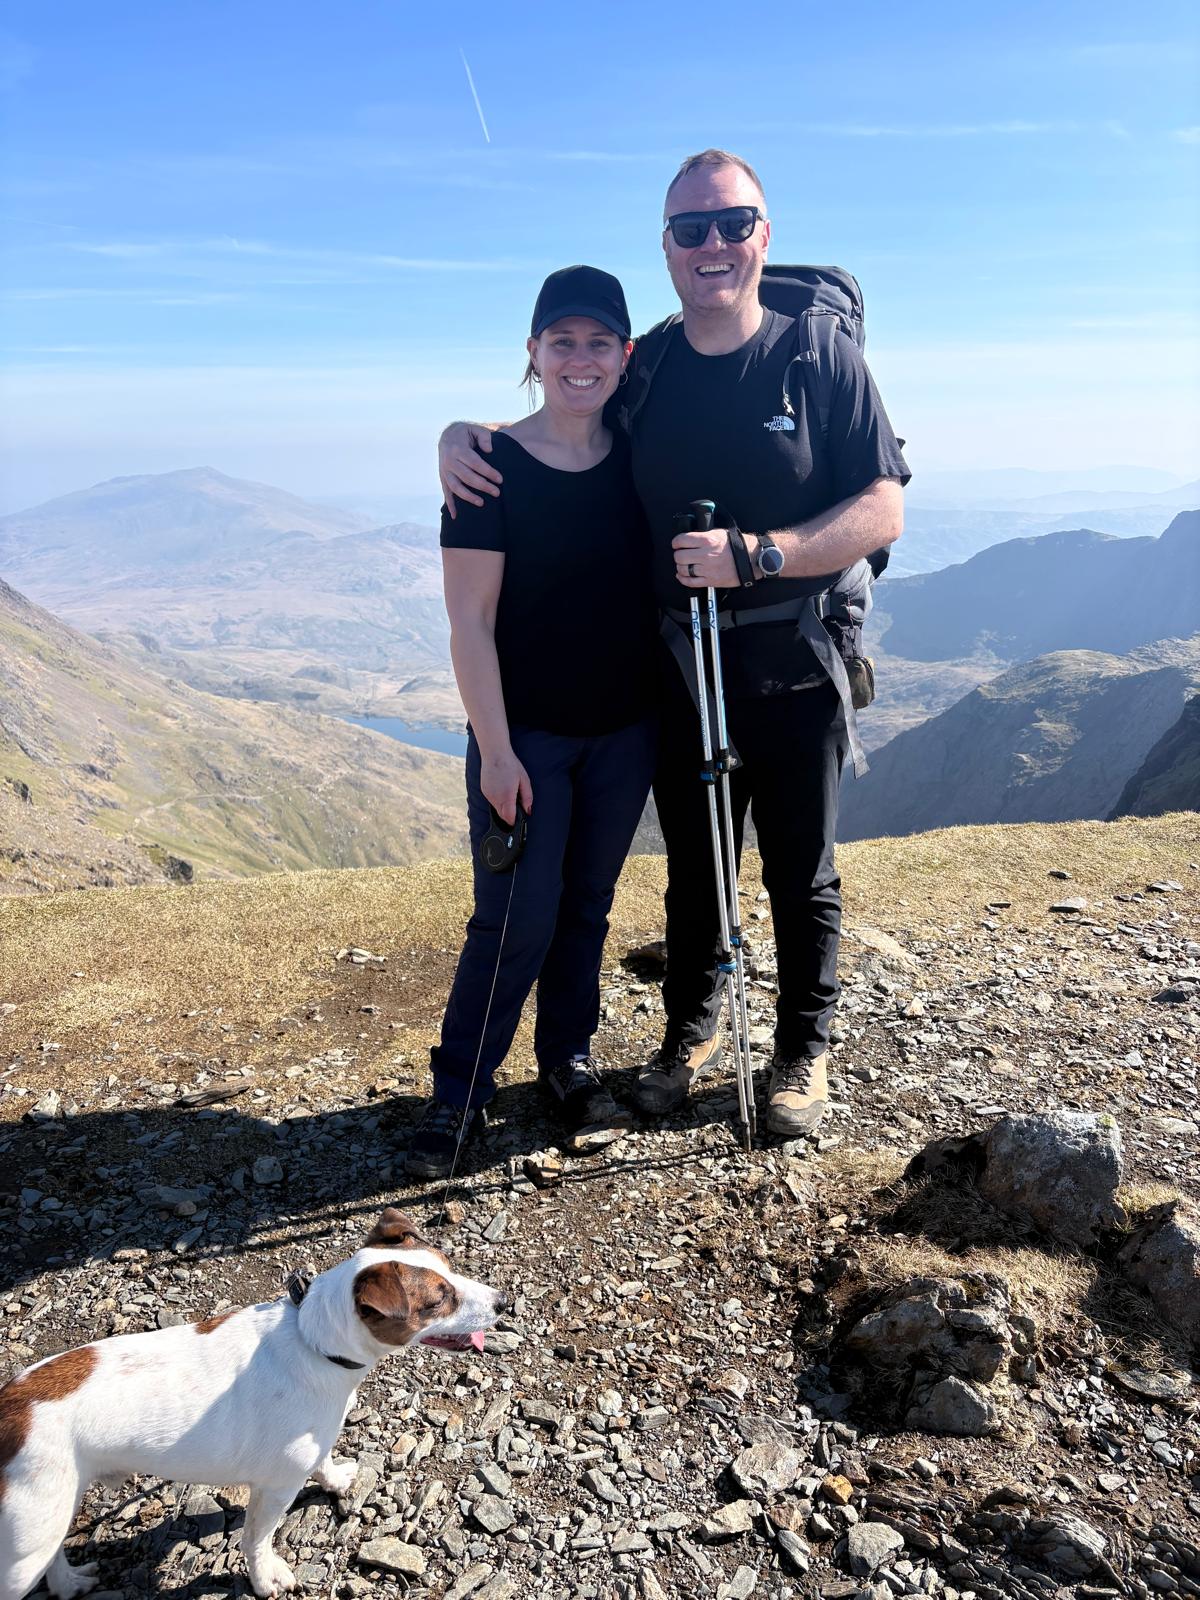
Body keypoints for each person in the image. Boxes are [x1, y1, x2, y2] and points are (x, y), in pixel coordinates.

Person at [439, 151, 909, 1141]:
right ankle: (687, 1033)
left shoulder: (818, 357)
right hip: (680, 672)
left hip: (797, 661)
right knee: (695, 866)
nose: (712, 246)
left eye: (732, 224)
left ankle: (799, 1050)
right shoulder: (646, 363)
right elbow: (565, 405)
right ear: (665, 246)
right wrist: (462, 433)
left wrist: (760, 553)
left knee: (799, 867)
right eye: (690, 229)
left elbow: (884, 503)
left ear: (763, 236)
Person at [406, 265, 659, 1180]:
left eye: (600, 343)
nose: (581, 360)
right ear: (534, 352)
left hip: (625, 733)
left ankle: (566, 1064)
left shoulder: (641, 453)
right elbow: (469, 622)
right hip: (529, 739)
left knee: (587, 909)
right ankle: (460, 1095)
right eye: (564, 342)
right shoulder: (488, 468)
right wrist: (497, 751)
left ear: (626, 355)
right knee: (513, 916)